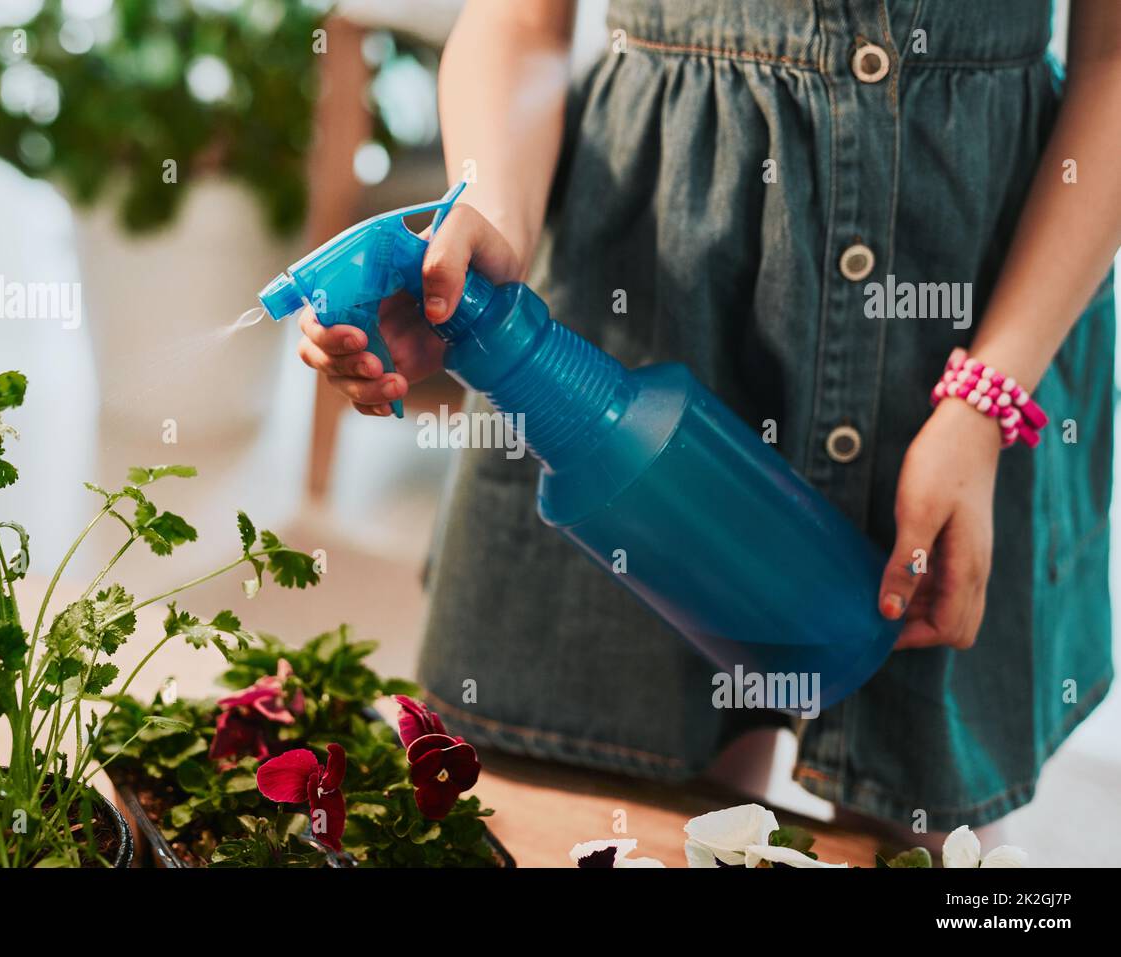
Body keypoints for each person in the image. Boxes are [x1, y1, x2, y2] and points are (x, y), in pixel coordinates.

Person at [296, 0, 1120, 847]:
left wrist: (986, 399)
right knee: (629, 821)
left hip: (976, 327)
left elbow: (1113, 62)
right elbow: (518, 20)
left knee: (909, 837)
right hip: (649, 289)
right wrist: (491, 233)